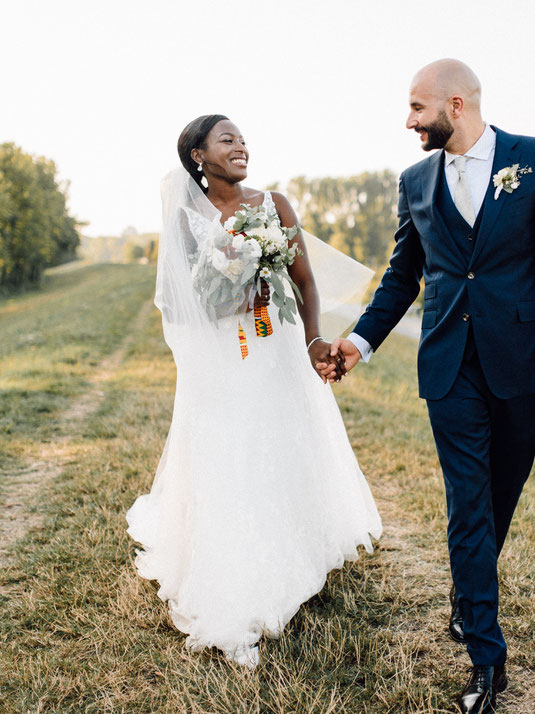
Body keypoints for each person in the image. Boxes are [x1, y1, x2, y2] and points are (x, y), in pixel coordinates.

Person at [327, 60, 535, 713]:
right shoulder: (414, 181)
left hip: (522, 360)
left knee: (503, 490)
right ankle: (485, 662)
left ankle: (468, 595)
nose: (408, 121)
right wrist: (359, 342)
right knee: (467, 505)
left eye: (417, 108)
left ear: (457, 104)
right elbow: (402, 275)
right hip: (448, 365)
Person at [126, 115, 382, 669]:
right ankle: (233, 580)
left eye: (243, 138)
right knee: (227, 461)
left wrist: (314, 339)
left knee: (281, 449)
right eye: (227, 139)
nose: (241, 146)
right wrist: (228, 296)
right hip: (220, 361)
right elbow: (176, 302)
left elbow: (305, 281)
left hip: (275, 348)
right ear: (199, 156)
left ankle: (293, 558)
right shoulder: (183, 220)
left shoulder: (275, 205)